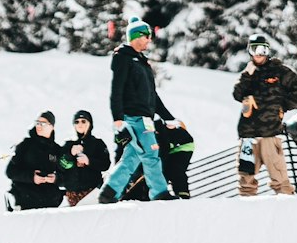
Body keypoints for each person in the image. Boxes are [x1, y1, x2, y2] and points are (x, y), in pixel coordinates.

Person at [98, 19, 175, 205]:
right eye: (145, 36)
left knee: (132, 158)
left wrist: (168, 118)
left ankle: (109, 192)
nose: (149, 40)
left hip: (145, 117)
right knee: (150, 154)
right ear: (135, 36)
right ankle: (159, 192)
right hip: (133, 117)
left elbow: (152, 95)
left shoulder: (142, 62)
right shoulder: (124, 57)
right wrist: (117, 118)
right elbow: (117, 89)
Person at [232, 33, 297, 197]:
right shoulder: (249, 73)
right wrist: (247, 75)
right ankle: (245, 212)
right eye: (255, 49)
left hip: (270, 132)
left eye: (263, 49)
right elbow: (237, 94)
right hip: (248, 135)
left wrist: (284, 105)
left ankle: (289, 209)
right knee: (246, 180)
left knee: (280, 179)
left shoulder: (278, 71)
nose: (259, 54)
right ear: (250, 52)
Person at [121, 116, 196, 200]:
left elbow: (163, 149)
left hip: (183, 145)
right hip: (165, 144)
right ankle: (142, 195)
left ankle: (182, 194)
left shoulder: (151, 132)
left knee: (174, 169)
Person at [6, 111, 64, 210]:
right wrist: (31, 177)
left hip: (50, 203)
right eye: (37, 123)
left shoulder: (57, 150)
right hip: (25, 201)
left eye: (43, 123)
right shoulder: (25, 145)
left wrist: (55, 178)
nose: (39, 126)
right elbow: (11, 172)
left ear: (52, 126)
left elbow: (66, 176)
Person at [59, 110, 110, 206]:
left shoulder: (98, 143)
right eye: (77, 122)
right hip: (72, 194)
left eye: (83, 121)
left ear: (90, 124)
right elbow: (60, 165)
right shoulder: (68, 144)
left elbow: (105, 164)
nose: (80, 124)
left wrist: (89, 161)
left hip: (92, 192)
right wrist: (70, 154)